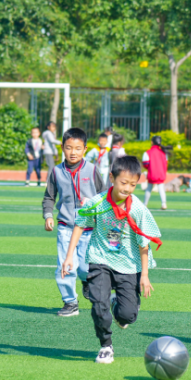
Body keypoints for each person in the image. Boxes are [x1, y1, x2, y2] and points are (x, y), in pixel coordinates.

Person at [63, 155, 162, 364]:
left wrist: (144, 275)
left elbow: (144, 244)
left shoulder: (137, 209)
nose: (127, 188)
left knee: (127, 316)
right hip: (100, 259)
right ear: (112, 178)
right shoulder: (97, 202)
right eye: (123, 183)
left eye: (132, 184)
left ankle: (118, 304)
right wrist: (69, 256)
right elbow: (80, 223)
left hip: (129, 264)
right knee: (98, 304)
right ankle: (105, 345)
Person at [42, 127, 105, 317]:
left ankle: (86, 280)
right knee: (65, 265)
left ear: (85, 149)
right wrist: (48, 215)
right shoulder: (56, 171)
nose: (73, 152)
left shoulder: (92, 170)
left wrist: (93, 203)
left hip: (89, 228)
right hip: (66, 227)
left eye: (78, 148)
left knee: (86, 268)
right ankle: (70, 302)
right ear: (62, 147)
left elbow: (105, 195)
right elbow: (49, 197)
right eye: (69, 148)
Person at [141, 136, 169, 210]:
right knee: (161, 188)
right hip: (161, 173)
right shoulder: (164, 152)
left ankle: (145, 204)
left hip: (152, 173)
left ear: (152, 142)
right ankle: (164, 204)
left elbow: (145, 164)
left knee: (149, 188)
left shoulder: (148, 152)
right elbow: (166, 163)